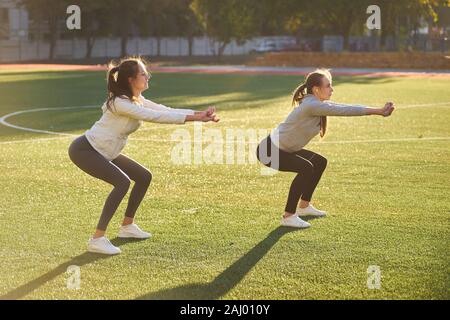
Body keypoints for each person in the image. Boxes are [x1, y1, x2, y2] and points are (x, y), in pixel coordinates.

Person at [68, 57, 219, 254]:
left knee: (143, 176)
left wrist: (200, 114)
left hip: (106, 151)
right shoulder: (120, 103)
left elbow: (165, 110)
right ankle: (97, 239)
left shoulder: (136, 100)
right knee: (122, 182)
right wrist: (196, 119)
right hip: (86, 150)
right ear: (131, 79)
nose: (148, 76)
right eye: (143, 73)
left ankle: (127, 227)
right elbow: (155, 117)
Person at [256, 69, 394, 228]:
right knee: (306, 168)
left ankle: (304, 207)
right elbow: (344, 110)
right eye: (328, 86)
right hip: (269, 151)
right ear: (316, 89)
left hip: (284, 149)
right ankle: (288, 216)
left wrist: (377, 111)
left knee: (320, 162)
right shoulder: (311, 105)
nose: (332, 89)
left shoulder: (315, 104)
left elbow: (340, 106)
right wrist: (378, 111)